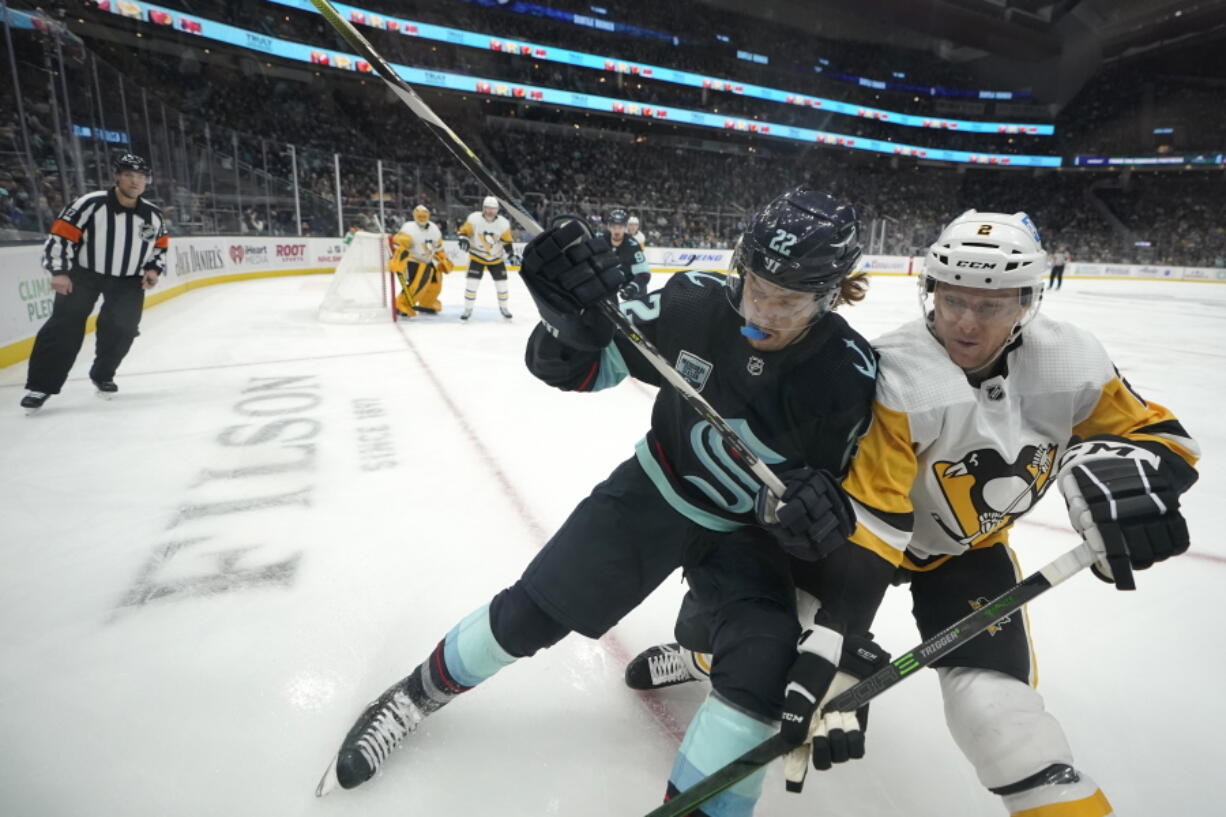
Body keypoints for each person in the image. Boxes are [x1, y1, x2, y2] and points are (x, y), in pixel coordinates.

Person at [315, 187, 883, 817]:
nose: (764, 311)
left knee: (762, 668)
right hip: (653, 494)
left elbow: (847, 501)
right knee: (531, 613)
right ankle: (413, 695)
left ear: (832, 294)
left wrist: (815, 519)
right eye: (756, 285)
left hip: (749, 540)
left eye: (789, 300)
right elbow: (579, 367)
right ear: (738, 265)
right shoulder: (692, 300)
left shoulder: (848, 375)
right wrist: (569, 327)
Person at [626, 210, 1199, 816]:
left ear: (1029, 301)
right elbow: (875, 518)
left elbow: (1162, 437)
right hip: (848, 545)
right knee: (750, 647)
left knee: (1001, 720)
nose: (966, 323)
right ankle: (699, 654)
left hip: (963, 554)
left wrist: (1126, 471)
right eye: (952, 301)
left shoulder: (1071, 359)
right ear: (931, 290)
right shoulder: (900, 371)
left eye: (992, 305)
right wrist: (840, 640)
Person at [21, 154, 168, 412]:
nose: (135, 182)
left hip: (127, 279)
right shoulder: (90, 204)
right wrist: (59, 271)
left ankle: (103, 373)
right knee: (63, 327)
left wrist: (153, 269)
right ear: (117, 177)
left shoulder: (153, 215)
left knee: (123, 329)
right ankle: (41, 386)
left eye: (141, 177)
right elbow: (60, 237)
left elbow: (159, 246)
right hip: (83, 275)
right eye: (129, 175)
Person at [457, 195, 517, 320]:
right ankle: (467, 309)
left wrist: (511, 254)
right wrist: (463, 237)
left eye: (493, 208)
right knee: (471, 284)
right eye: (488, 208)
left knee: (502, 285)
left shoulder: (503, 223)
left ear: (497, 210)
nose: (490, 211)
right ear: (483, 208)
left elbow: (507, 241)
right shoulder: (474, 219)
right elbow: (464, 232)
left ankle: (504, 308)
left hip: (496, 258)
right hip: (477, 257)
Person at [390, 204, 451, 317]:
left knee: (435, 283)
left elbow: (438, 247)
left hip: (428, 260)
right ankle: (401, 304)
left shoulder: (434, 228)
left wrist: (443, 259)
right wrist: (398, 260)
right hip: (412, 261)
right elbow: (399, 246)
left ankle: (427, 303)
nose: (422, 218)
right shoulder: (408, 227)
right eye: (419, 215)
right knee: (418, 284)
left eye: (424, 215)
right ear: (414, 215)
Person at [596, 208, 651, 300]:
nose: (617, 231)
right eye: (614, 227)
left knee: (639, 299)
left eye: (620, 227)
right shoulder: (599, 240)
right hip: (607, 280)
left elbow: (645, 274)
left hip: (628, 278)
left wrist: (633, 287)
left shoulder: (633, 246)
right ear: (609, 227)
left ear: (625, 228)